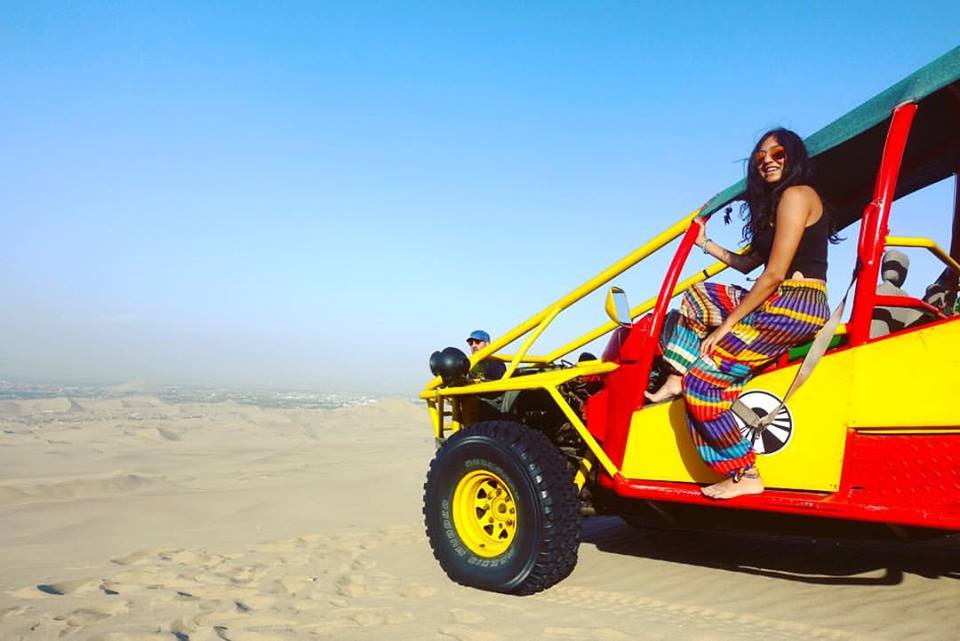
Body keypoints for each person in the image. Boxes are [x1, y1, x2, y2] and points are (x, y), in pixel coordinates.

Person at [646, 128, 835, 500]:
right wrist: (705, 244)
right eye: (760, 157)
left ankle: (744, 470)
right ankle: (677, 371)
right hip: (775, 298)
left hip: (796, 304)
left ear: (793, 156)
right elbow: (750, 263)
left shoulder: (797, 195)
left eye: (777, 152)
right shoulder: (777, 205)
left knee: (701, 386)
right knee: (698, 297)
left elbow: (775, 274)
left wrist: (728, 325)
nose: (768, 160)